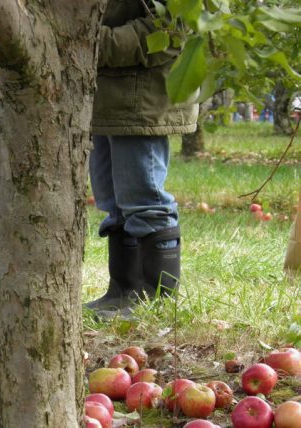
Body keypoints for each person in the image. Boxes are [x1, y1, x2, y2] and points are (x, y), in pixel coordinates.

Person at [86, 1, 198, 315]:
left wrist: (92, 41)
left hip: (141, 99)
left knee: (143, 200)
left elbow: (168, 31)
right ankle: (123, 291)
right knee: (113, 203)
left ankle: (155, 301)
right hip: (108, 96)